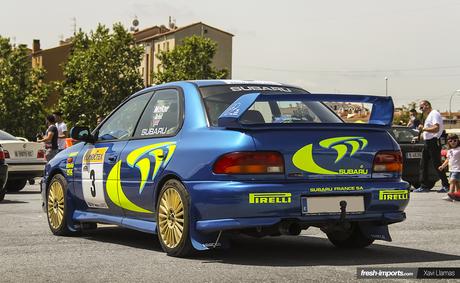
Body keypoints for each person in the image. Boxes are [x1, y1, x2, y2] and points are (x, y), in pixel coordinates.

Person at [414, 100, 450, 192]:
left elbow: (436, 128)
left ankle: (446, 185)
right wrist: (418, 137)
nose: (421, 109)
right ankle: (424, 186)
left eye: (421, 107)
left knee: (436, 164)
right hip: (428, 142)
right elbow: (428, 132)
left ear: (427, 105)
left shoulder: (434, 114)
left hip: (433, 142)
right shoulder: (428, 116)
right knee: (423, 164)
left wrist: (424, 128)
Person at [438, 134, 460, 201]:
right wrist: (442, 166)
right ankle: (458, 195)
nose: (453, 142)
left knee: (452, 181)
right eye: (450, 141)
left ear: (458, 141)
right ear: (448, 142)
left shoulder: (459, 149)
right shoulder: (449, 150)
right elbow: (447, 160)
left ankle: (450, 194)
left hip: (458, 169)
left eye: (455, 140)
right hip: (451, 169)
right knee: (456, 183)